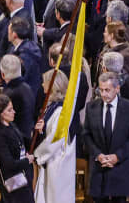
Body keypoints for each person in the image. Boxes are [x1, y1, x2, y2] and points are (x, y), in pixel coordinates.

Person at [83, 70, 129, 203]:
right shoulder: (91, 107)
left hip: (120, 168)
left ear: (117, 88)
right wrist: (98, 155)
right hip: (99, 168)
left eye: (107, 90)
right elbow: (86, 135)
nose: (103, 94)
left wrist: (117, 157)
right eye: (101, 90)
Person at [34, 69, 77, 203]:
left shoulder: (60, 111)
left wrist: (38, 155)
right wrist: (41, 129)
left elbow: (55, 138)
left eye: (44, 82)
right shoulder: (51, 106)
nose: (42, 85)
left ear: (53, 85)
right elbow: (49, 130)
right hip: (50, 161)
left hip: (57, 161)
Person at [0, 93, 33, 202]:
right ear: (0, 113)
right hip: (12, 181)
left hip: (22, 177)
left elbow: (24, 141)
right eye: (9, 110)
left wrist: (38, 130)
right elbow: (8, 164)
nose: (14, 112)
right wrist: (27, 161)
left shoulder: (11, 125)